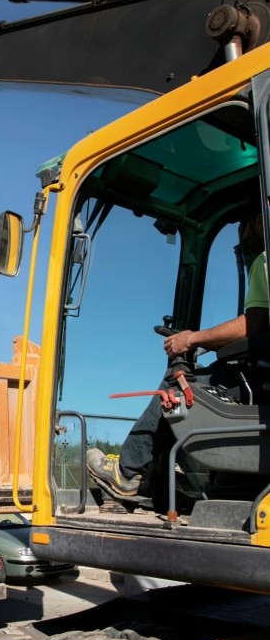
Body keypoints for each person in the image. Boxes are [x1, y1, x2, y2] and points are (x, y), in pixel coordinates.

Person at [87, 210, 268, 501]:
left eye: (244, 225)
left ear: (260, 219)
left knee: (177, 384)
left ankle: (127, 472)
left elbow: (256, 322)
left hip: (261, 378)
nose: (242, 236)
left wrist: (192, 338)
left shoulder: (265, 260)